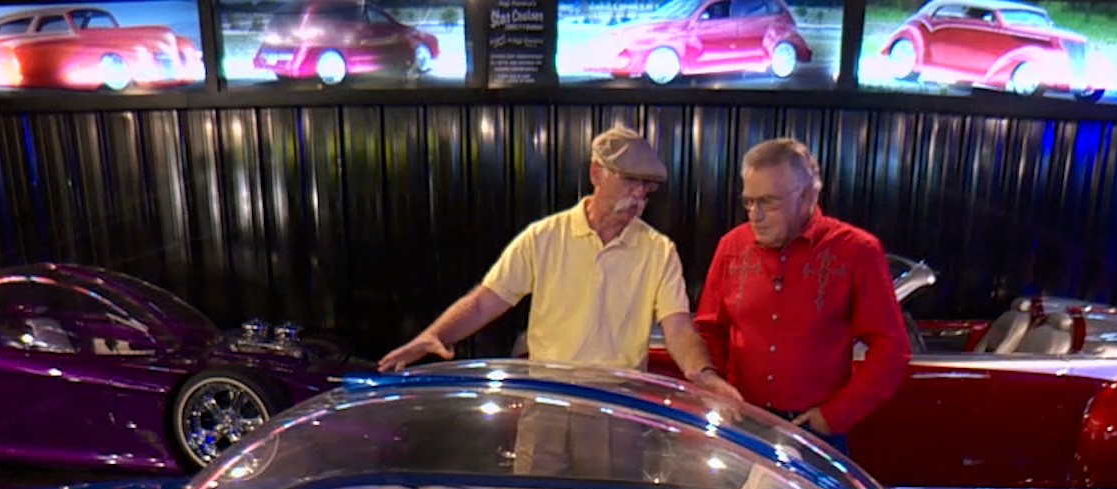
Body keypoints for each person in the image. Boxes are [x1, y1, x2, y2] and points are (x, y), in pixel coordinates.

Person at [378, 124, 728, 401]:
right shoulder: (544, 237)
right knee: (539, 476)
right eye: (629, 181)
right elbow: (485, 302)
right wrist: (433, 336)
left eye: (647, 187)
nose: (638, 195)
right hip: (547, 399)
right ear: (596, 174)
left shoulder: (659, 250)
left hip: (619, 405)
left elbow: (678, 327)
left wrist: (702, 374)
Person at [693, 138, 910, 453]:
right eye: (749, 202)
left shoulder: (855, 251)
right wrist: (715, 386)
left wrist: (834, 415)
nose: (755, 215)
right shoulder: (732, 246)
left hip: (814, 428)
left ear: (808, 195)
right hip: (741, 420)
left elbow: (891, 349)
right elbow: (708, 328)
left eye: (768, 202)